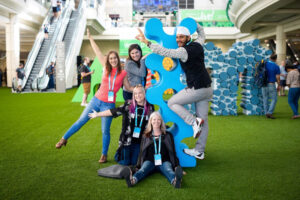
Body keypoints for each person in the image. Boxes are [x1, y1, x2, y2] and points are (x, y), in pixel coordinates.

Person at [55, 28, 134, 164]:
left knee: (105, 130)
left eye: (115, 58)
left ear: (118, 60)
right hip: (96, 101)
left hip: (108, 105)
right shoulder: (105, 66)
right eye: (111, 58)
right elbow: (97, 50)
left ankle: (104, 154)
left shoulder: (123, 73)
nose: (113, 60)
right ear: (108, 60)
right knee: (81, 121)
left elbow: (128, 87)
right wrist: (90, 38)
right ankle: (64, 138)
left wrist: (140, 89)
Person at [135, 22, 212, 160]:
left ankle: (193, 122)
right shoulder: (198, 44)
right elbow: (202, 34)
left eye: (181, 37)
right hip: (207, 88)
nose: (178, 40)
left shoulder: (183, 51)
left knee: (172, 103)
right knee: (204, 120)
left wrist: (146, 42)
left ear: (188, 37)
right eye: (177, 37)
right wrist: (195, 24)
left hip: (197, 88)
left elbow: (165, 52)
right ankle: (199, 151)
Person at [89, 84, 154, 165]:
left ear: (144, 94)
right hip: (126, 140)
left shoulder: (150, 107)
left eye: (140, 93)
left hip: (139, 142)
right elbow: (114, 111)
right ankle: (119, 152)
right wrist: (98, 114)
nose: (138, 96)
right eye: (135, 94)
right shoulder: (128, 105)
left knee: (135, 163)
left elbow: (152, 123)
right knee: (125, 163)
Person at [122, 112, 183, 188]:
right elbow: (142, 152)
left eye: (158, 120)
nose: (156, 121)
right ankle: (132, 180)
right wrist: (138, 166)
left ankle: (176, 181)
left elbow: (172, 151)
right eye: (154, 119)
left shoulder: (168, 135)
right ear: (150, 121)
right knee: (143, 170)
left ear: (161, 122)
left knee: (168, 170)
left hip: (164, 160)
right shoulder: (146, 136)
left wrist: (176, 166)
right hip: (149, 160)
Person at [261, 54, 280, 119]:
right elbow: (277, 77)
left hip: (264, 83)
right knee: (274, 99)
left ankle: (266, 112)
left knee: (265, 98)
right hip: (271, 83)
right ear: (276, 59)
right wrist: (279, 85)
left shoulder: (264, 64)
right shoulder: (276, 66)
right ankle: (270, 112)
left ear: (269, 58)